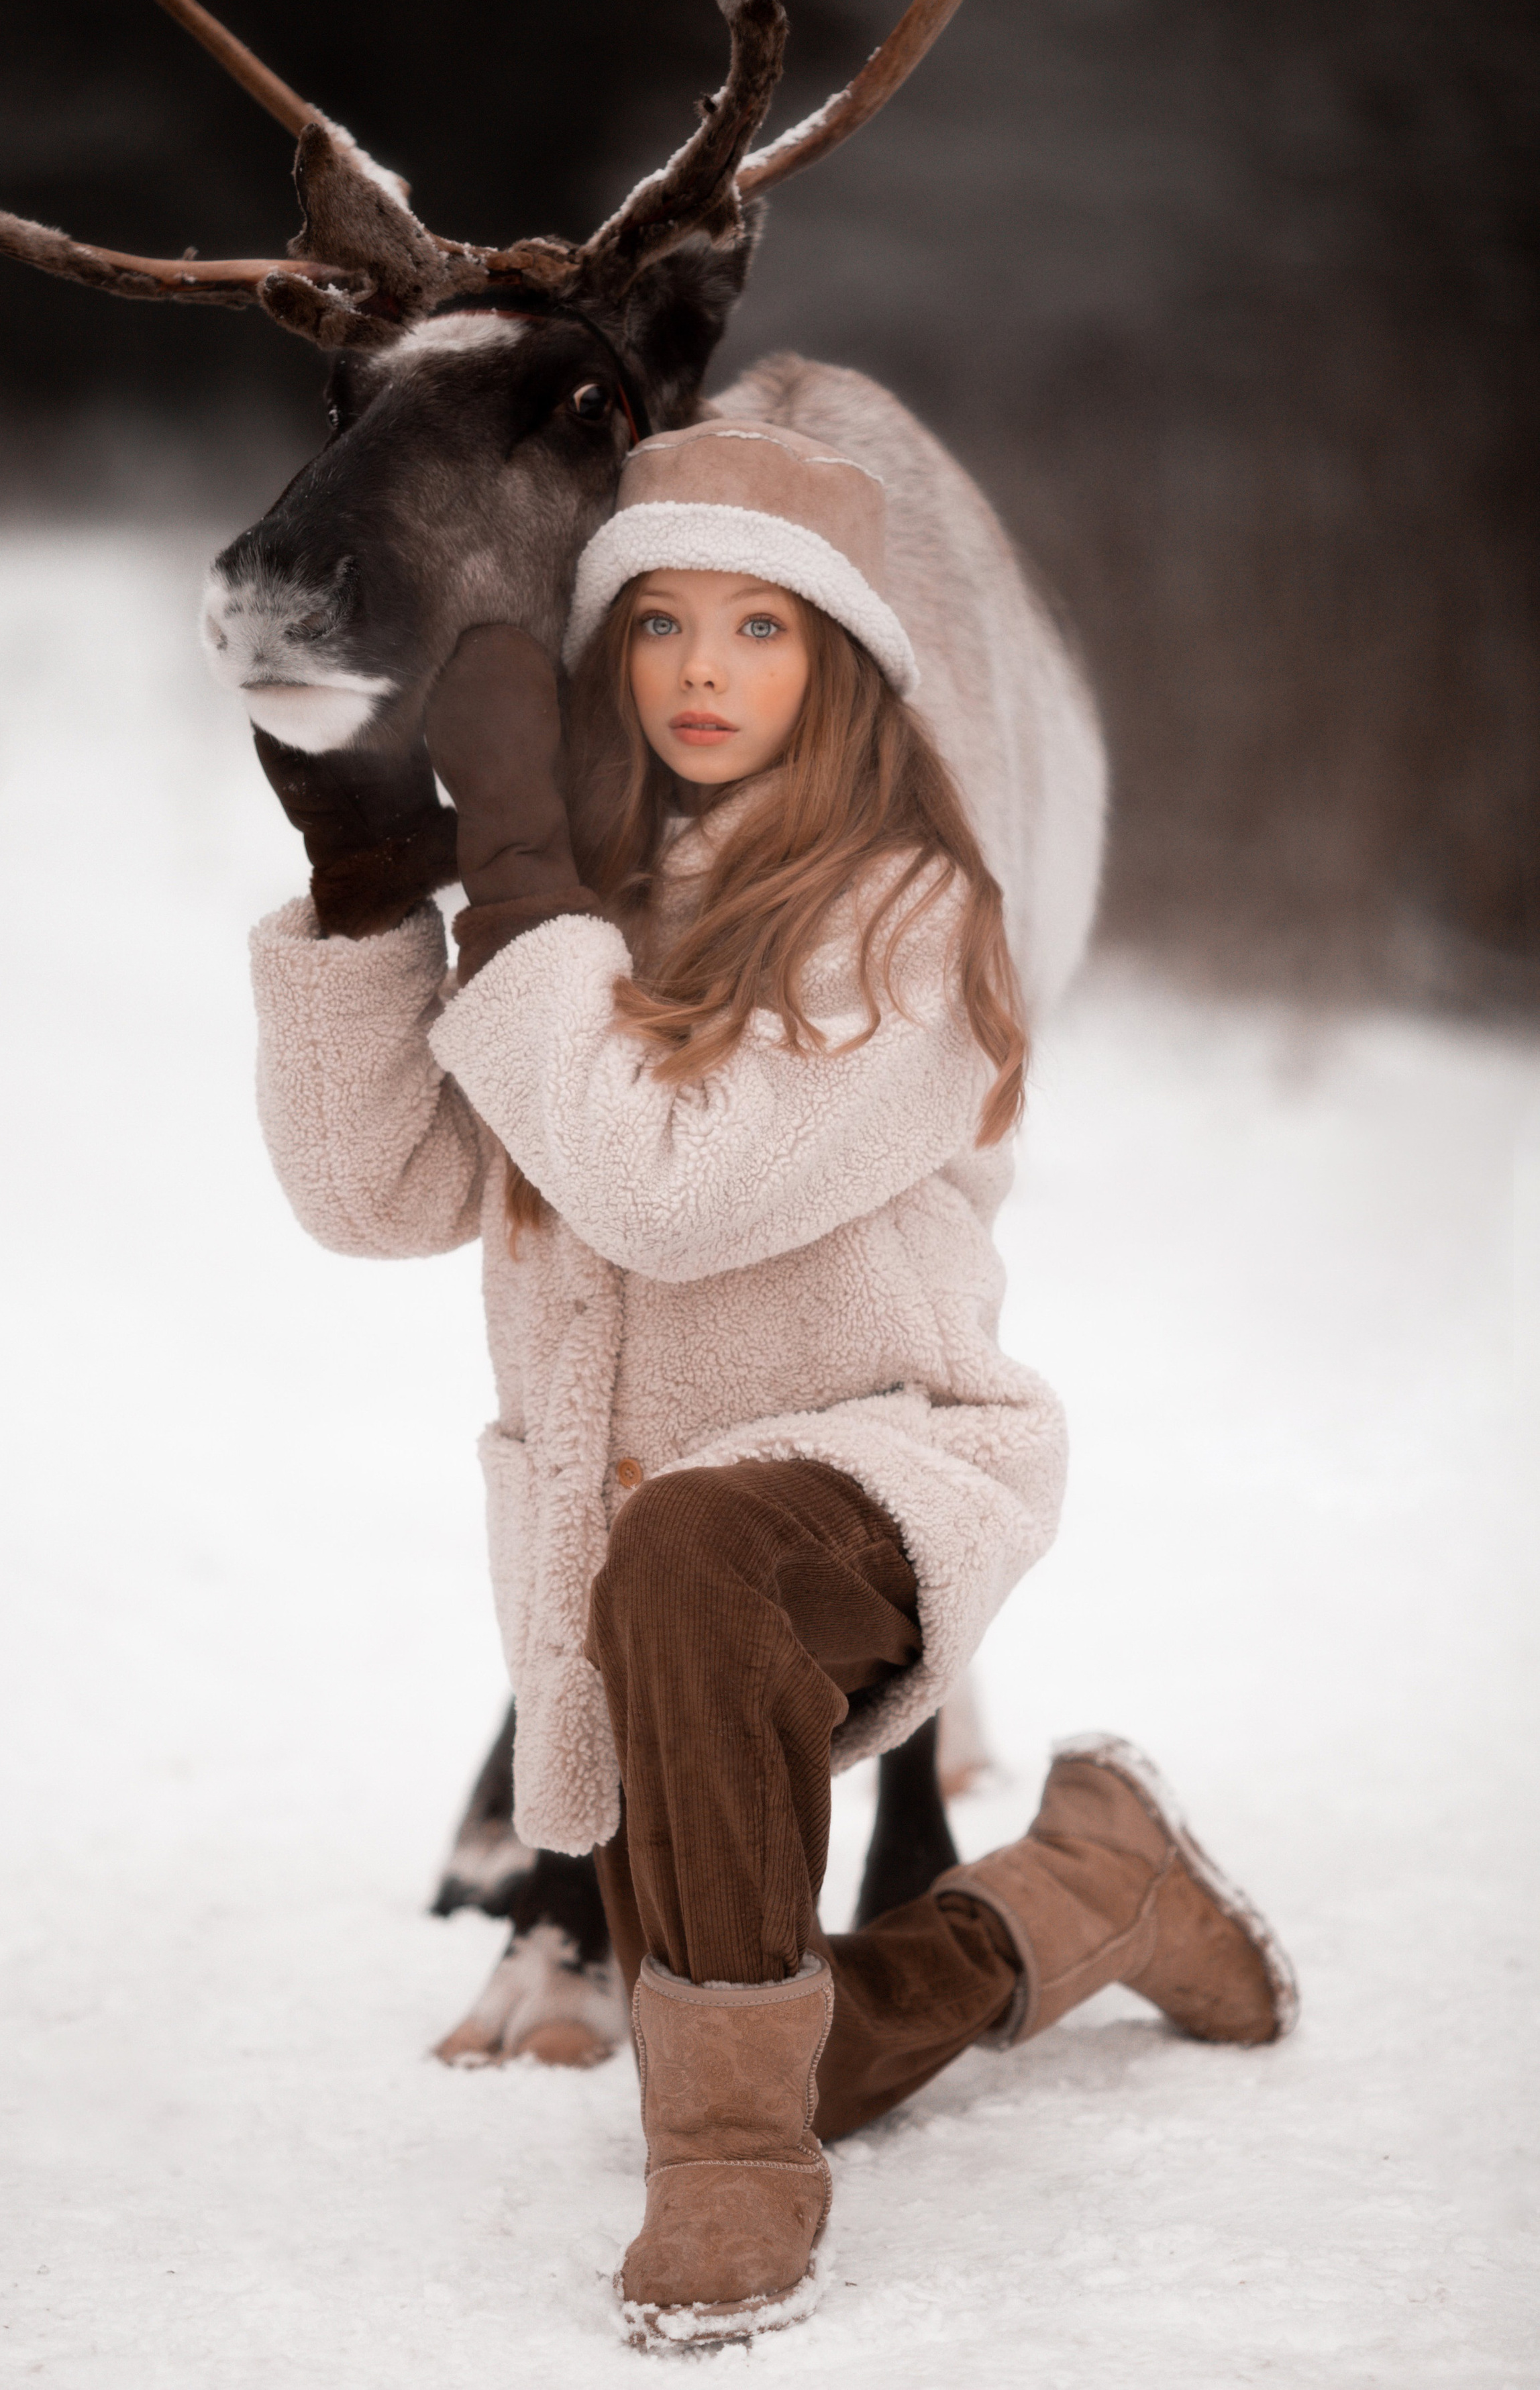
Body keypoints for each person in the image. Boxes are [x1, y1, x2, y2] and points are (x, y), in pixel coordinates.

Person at [245, 420, 1297, 2347]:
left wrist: (527, 886)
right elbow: (378, 1196)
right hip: (642, 1588)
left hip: (868, 1484)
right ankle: (1089, 1890)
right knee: (751, 2040)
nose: (705, 674)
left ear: (847, 670)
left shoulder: (909, 916)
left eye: (762, 628)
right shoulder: (575, 912)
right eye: (659, 626)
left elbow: (678, 1186)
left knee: (701, 1559)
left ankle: (734, 2196)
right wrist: (369, 897)